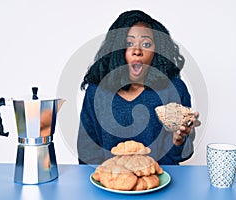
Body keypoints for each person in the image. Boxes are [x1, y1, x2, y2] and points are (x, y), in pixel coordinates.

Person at [77, 10, 200, 165]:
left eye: (146, 44)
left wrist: (178, 141)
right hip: (109, 185)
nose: (137, 51)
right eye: (129, 44)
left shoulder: (174, 89)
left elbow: (182, 155)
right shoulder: (97, 92)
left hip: (162, 181)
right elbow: (87, 154)